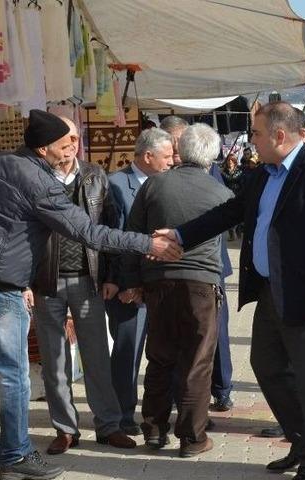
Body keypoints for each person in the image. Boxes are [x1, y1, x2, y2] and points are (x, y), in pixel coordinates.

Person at [0, 110, 181, 480]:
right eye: (63, 144)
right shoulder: (38, 181)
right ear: (43, 149)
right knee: (14, 373)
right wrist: (146, 243)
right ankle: (15, 455)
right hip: (2, 287)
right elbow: (90, 232)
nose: (70, 150)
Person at [158, 102, 305, 480]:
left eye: (256, 134)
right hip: (269, 291)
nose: (251, 141)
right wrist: (180, 234)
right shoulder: (264, 173)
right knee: (266, 367)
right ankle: (300, 439)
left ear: (280, 135)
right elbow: (229, 213)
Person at [120, 123, 234, 458]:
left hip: (159, 282)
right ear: (211, 157)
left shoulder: (154, 184)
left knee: (159, 357)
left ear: (180, 150)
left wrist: (133, 281)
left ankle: (154, 431)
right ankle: (191, 437)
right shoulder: (221, 194)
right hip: (201, 284)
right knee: (197, 362)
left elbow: (132, 235)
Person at [29, 117, 137, 455]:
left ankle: (108, 426)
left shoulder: (95, 176)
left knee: (96, 357)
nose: (71, 143)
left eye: (75, 137)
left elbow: (110, 227)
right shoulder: (35, 176)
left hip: (88, 280)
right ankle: (65, 429)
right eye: (65, 138)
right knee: (54, 359)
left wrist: (113, 277)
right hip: (46, 281)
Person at [161, 116, 237, 414]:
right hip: (171, 266)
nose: (177, 147)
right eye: (172, 142)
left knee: (215, 331)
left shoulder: (210, 171)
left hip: (210, 265)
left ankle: (222, 388)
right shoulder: (163, 174)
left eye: (181, 141)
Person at [104, 127, 175, 435]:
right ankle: (122, 415)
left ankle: (159, 413)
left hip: (161, 284)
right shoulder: (117, 185)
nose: (173, 161)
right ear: (148, 156)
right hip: (128, 288)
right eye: (167, 156)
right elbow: (112, 238)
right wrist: (123, 282)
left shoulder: (167, 184)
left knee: (162, 353)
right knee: (127, 353)